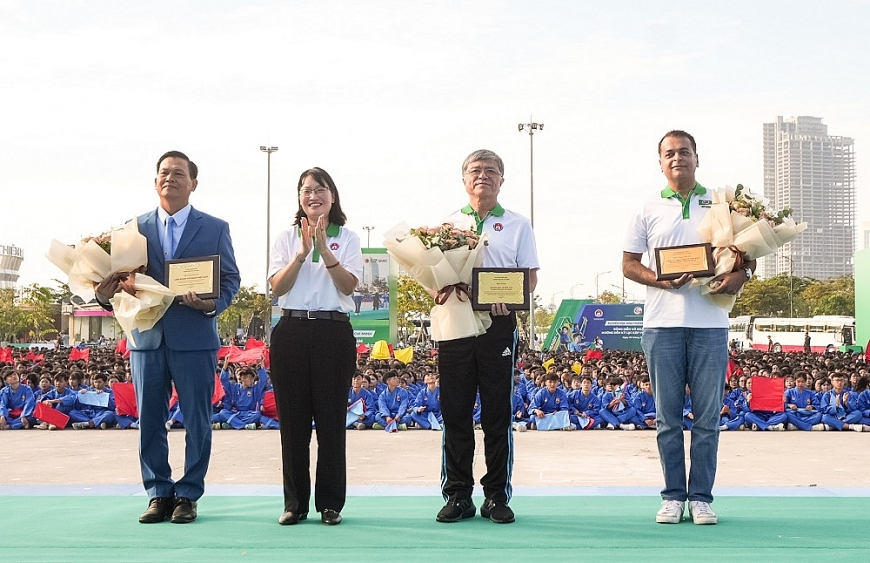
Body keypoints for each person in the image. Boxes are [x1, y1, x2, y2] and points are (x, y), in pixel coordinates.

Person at [95, 150, 240, 524]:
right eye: (163, 172)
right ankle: (158, 492)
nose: (170, 178)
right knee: (149, 420)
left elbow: (230, 281)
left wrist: (210, 304)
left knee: (197, 420)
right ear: (155, 180)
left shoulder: (214, 228)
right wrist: (103, 293)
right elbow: (120, 282)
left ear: (193, 182)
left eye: (178, 173)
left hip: (194, 337)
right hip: (146, 338)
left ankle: (189, 494)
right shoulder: (132, 229)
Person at [623, 130, 754, 525]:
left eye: (684, 151)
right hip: (661, 325)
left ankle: (700, 497)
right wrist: (660, 280)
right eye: (669, 153)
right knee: (667, 418)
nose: (676, 158)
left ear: (698, 157)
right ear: (660, 162)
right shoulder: (647, 208)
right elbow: (629, 264)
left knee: (708, 417)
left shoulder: (721, 204)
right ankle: (673, 496)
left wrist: (742, 276)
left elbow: (746, 255)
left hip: (709, 323)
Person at [435, 149, 539, 524]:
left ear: (502, 180)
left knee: (497, 414)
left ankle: (496, 495)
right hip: (456, 326)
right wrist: (437, 287)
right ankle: (458, 494)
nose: (483, 176)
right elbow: (435, 273)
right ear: (464, 180)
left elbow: (529, 276)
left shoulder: (517, 224)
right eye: (476, 170)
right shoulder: (447, 225)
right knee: (455, 413)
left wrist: (509, 301)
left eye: (491, 171)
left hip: (498, 326)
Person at [268, 167, 362, 526]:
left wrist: (325, 248)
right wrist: (304, 252)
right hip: (291, 330)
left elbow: (348, 286)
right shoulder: (286, 237)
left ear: (332, 196)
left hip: (332, 332)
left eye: (320, 189)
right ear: (299, 199)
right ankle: (295, 503)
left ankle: (330, 503)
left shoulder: (348, 238)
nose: (313, 196)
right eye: (306, 190)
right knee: (292, 422)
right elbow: (277, 288)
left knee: (330, 419)